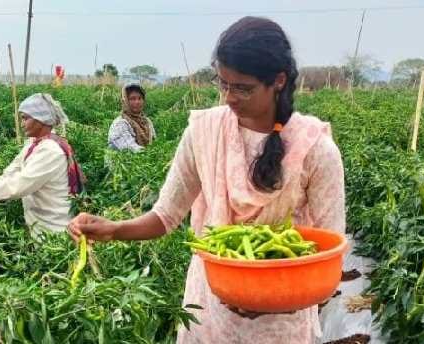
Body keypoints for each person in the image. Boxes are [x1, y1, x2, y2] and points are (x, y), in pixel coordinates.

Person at [69, 16, 345, 344]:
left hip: (279, 326)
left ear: (279, 81)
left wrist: (275, 301)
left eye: (243, 88)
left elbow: (328, 256)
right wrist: (114, 229)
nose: (229, 97)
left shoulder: (315, 148)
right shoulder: (203, 132)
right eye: (222, 83)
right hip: (208, 311)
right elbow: (166, 215)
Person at [0, 93, 82, 236]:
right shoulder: (35, 143)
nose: (22, 124)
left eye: (25, 118)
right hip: (42, 227)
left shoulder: (50, 150)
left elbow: (17, 185)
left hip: (55, 230)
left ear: (41, 119)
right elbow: (11, 173)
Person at [107, 84, 156, 152]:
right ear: (125, 101)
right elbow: (131, 149)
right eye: (132, 99)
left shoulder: (147, 121)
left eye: (140, 98)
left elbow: (154, 143)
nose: (137, 102)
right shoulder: (120, 123)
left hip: (145, 160)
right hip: (122, 161)